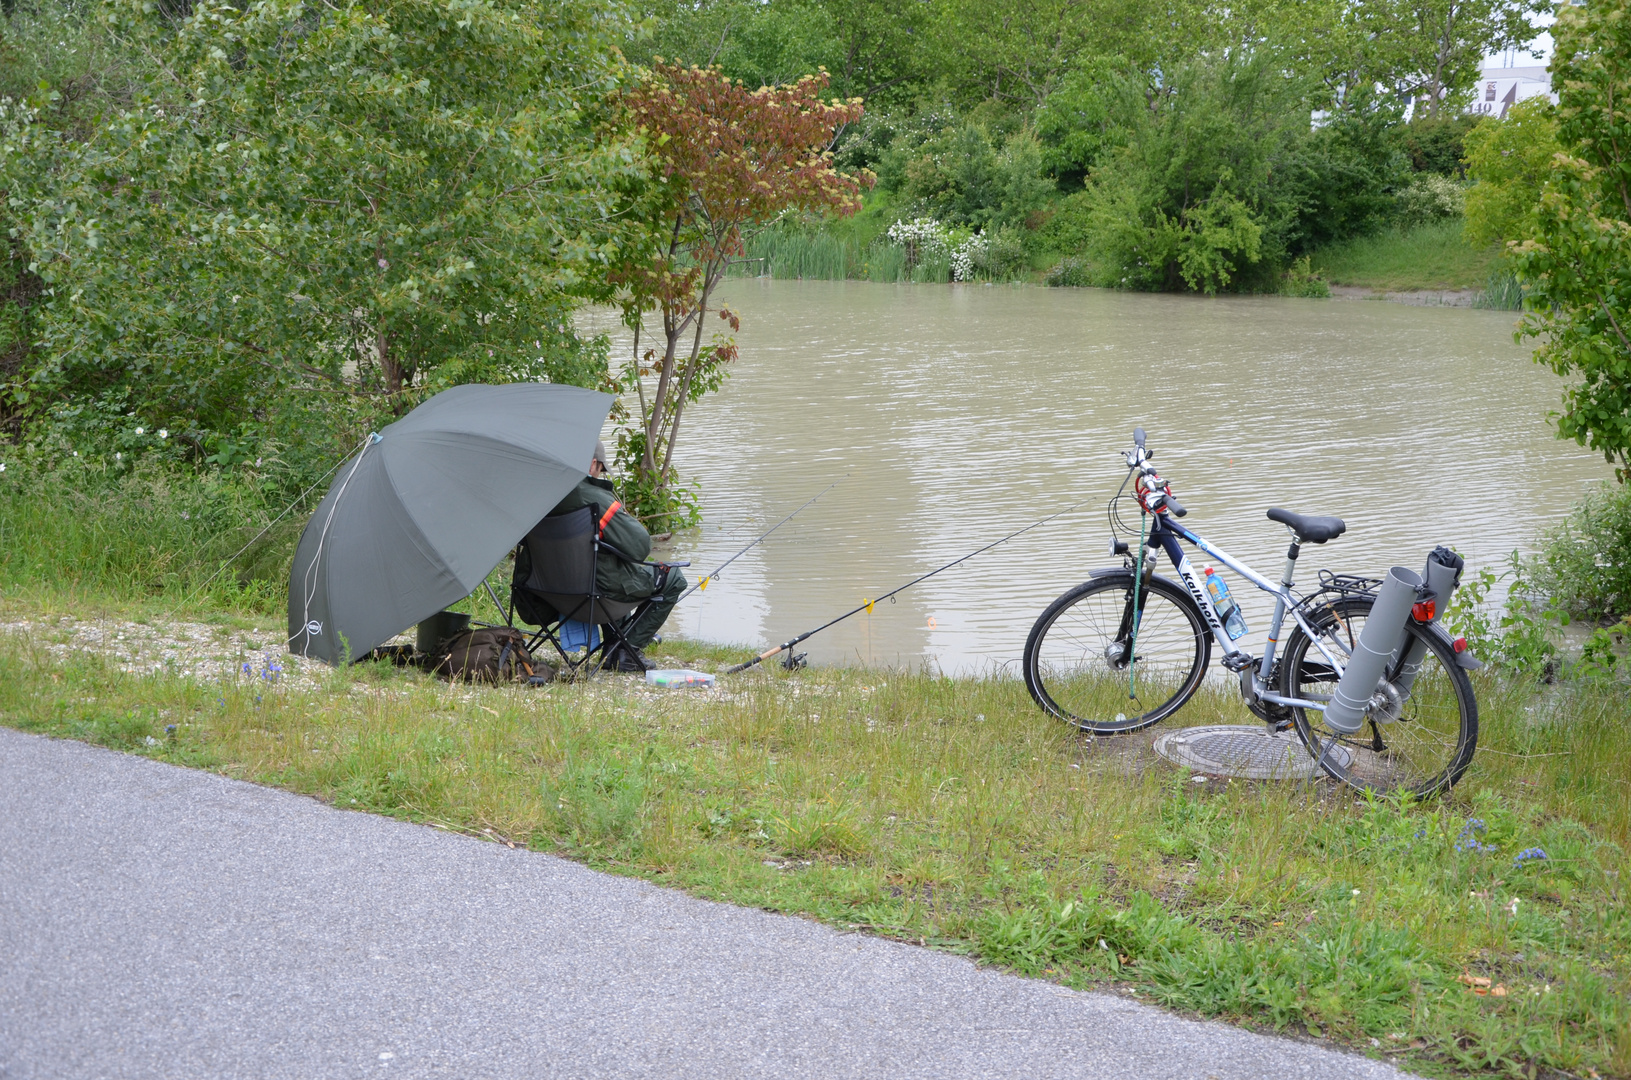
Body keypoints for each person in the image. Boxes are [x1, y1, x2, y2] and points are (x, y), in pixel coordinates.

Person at [513, 441, 685, 672]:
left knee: (611, 565)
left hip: (544, 596)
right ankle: (627, 650)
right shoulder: (594, 498)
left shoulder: (536, 496)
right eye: (601, 469)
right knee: (673, 577)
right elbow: (639, 546)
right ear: (593, 463)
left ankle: (613, 647)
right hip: (592, 596)